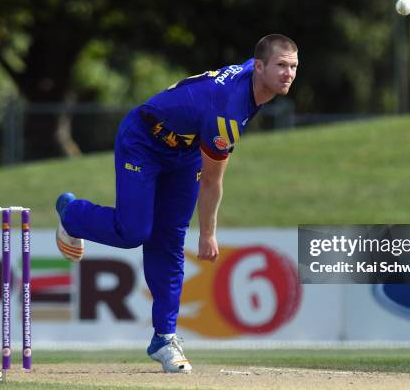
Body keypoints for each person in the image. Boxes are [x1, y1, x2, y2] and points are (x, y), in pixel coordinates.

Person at [55, 34, 298, 373]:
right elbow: (213, 180)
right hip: (144, 139)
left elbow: (257, 60)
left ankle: (164, 339)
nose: (289, 74)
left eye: (293, 66)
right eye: (281, 66)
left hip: (184, 152)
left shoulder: (254, 78)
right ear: (258, 67)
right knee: (134, 231)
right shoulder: (227, 111)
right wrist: (208, 233)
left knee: (168, 241)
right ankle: (72, 213)